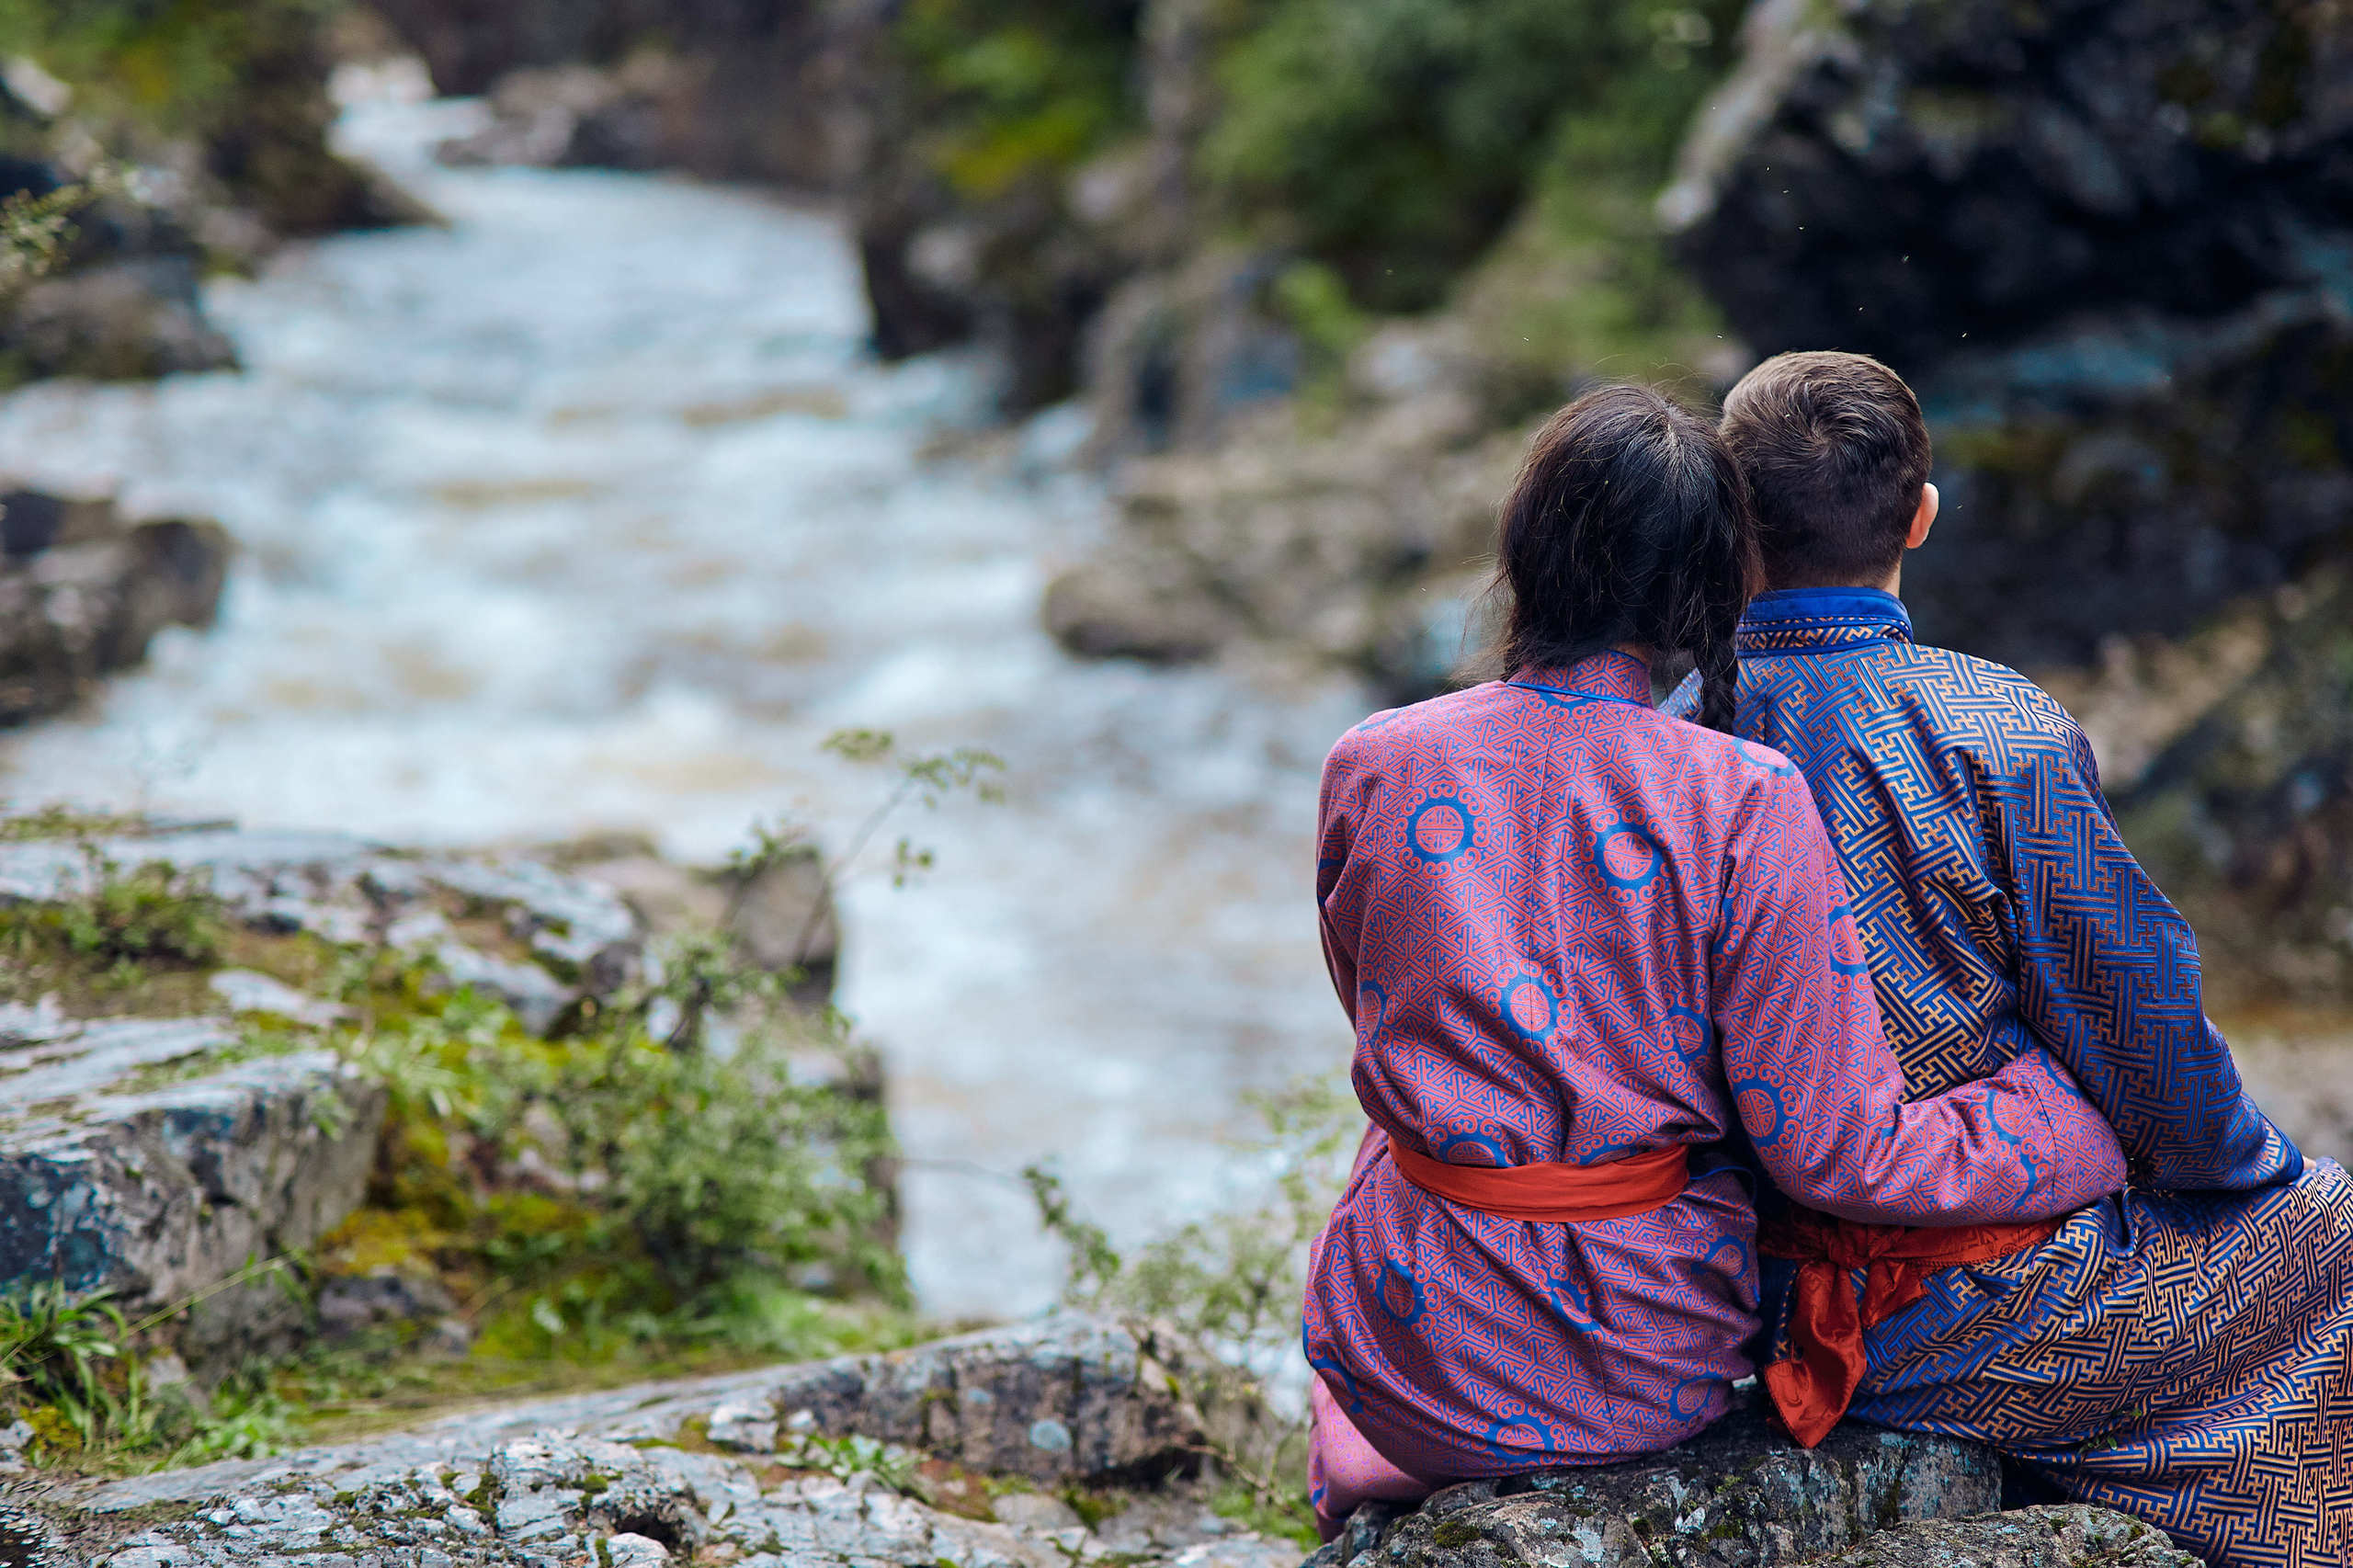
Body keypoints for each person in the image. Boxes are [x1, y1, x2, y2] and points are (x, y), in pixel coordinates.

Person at [1299, 383, 2130, 1541]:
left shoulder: (1372, 759)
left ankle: (1362, 1450)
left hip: (1392, 1339)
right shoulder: (1743, 796)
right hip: (1624, 1363)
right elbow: (1838, 1150)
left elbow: (1375, 1006)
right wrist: (2068, 1122)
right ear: (1715, 588)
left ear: (1521, 549)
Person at [1673, 350, 2353, 1568]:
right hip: (1956, 1303)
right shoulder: (2000, 727)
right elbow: (2139, 1022)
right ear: (1923, 517)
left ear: (1728, 518)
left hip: (1716, 1294)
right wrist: (2235, 1163)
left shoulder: (1667, 736)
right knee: (2328, 1228)